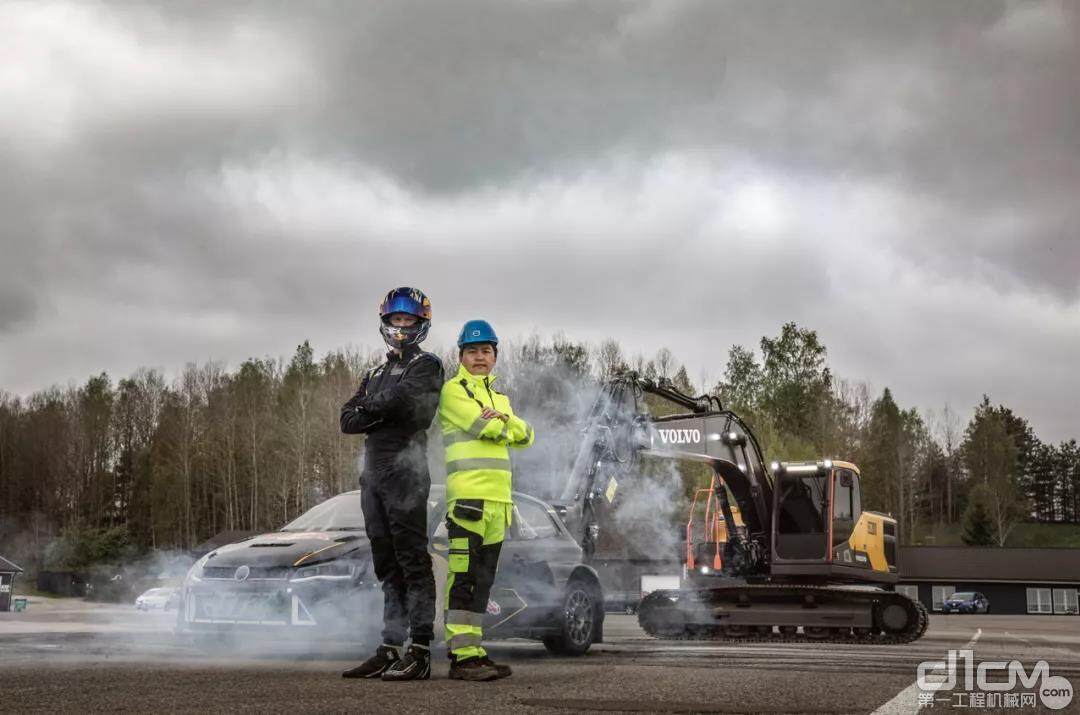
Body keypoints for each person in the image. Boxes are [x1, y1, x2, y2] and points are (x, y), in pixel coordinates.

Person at [340, 287, 444, 681]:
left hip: (408, 472)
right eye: (395, 321)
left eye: (409, 321)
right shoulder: (376, 372)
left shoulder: (427, 365)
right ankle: (389, 645)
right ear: (386, 323)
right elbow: (347, 420)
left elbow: (410, 405)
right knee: (386, 563)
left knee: (412, 559)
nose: (401, 327)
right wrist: (379, 407)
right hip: (375, 475)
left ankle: (419, 648)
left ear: (420, 325)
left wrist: (371, 407)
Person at [438, 319, 534, 681]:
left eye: (486, 351)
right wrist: (504, 424)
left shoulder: (501, 398)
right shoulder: (452, 391)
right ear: (461, 356)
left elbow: (528, 435)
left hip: (499, 505)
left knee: (483, 581)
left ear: (495, 357)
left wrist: (505, 418)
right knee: (463, 577)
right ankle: (461, 656)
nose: (480, 357)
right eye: (472, 351)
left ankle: (475, 650)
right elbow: (488, 428)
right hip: (468, 502)